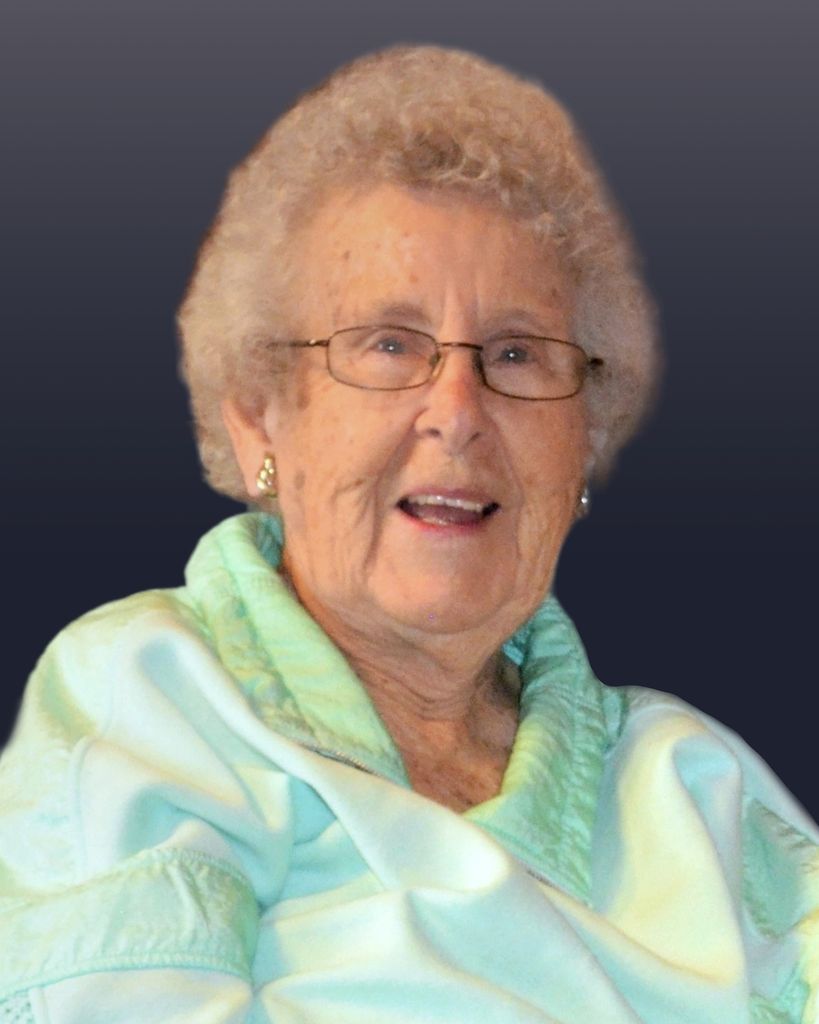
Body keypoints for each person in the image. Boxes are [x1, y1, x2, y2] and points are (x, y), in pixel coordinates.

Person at [0, 44, 816, 1024]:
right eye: (388, 344)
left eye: (516, 354)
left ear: (584, 442)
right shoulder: (149, 700)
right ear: (260, 417)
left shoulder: (694, 783)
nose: (458, 411)